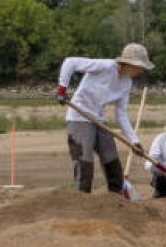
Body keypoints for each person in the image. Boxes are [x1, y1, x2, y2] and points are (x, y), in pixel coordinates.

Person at [55, 43, 153, 194]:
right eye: (139, 66)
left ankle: (117, 199)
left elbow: (121, 113)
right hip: (79, 118)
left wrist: (134, 141)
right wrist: (62, 89)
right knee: (84, 160)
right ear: (128, 63)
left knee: (111, 159)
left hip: (98, 119)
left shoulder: (126, 83)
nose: (140, 71)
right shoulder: (105, 66)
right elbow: (70, 62)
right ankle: (82, 199)